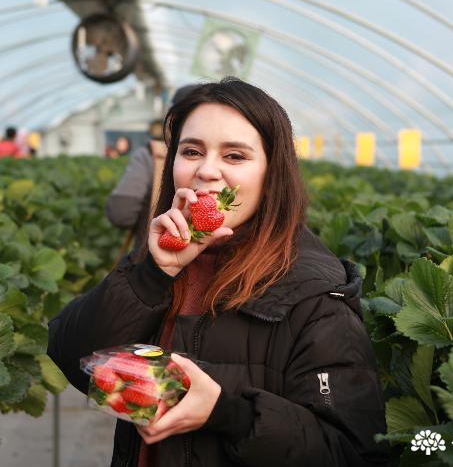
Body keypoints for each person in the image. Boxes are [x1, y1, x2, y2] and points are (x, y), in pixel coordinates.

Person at [48, 78, 389, 466]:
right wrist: (153, 274)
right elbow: (76, 362)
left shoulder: (317, 296)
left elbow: (354, 454)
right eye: (191, 150)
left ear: (272, 172)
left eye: (235, 156)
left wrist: (229, 413)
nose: (207, 171)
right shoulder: (163, 260)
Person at [105, 85, 199, 257]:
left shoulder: (152, 155)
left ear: (171, 118)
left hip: (151, 258)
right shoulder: (228, 165)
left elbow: (121, 213)